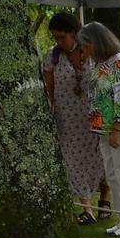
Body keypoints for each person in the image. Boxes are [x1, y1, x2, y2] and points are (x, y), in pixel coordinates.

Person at [41, 11, 107, 225]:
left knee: (101, 157)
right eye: (56, 38)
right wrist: (51, 108)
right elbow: (49, 87)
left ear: (75, 33)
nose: (59, 42)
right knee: (72, 160)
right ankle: (86, 208)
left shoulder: (90, 52)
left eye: (62, 37)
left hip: (93, 114)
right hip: (67, 117)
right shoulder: (53, 56)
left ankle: (105, 201)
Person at [80, 22, 120, 236]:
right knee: (113, 175)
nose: (84, 51)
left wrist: (117, 127)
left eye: (86, 46)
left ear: (96, 43)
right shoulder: (98, 64)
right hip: (102, 127)